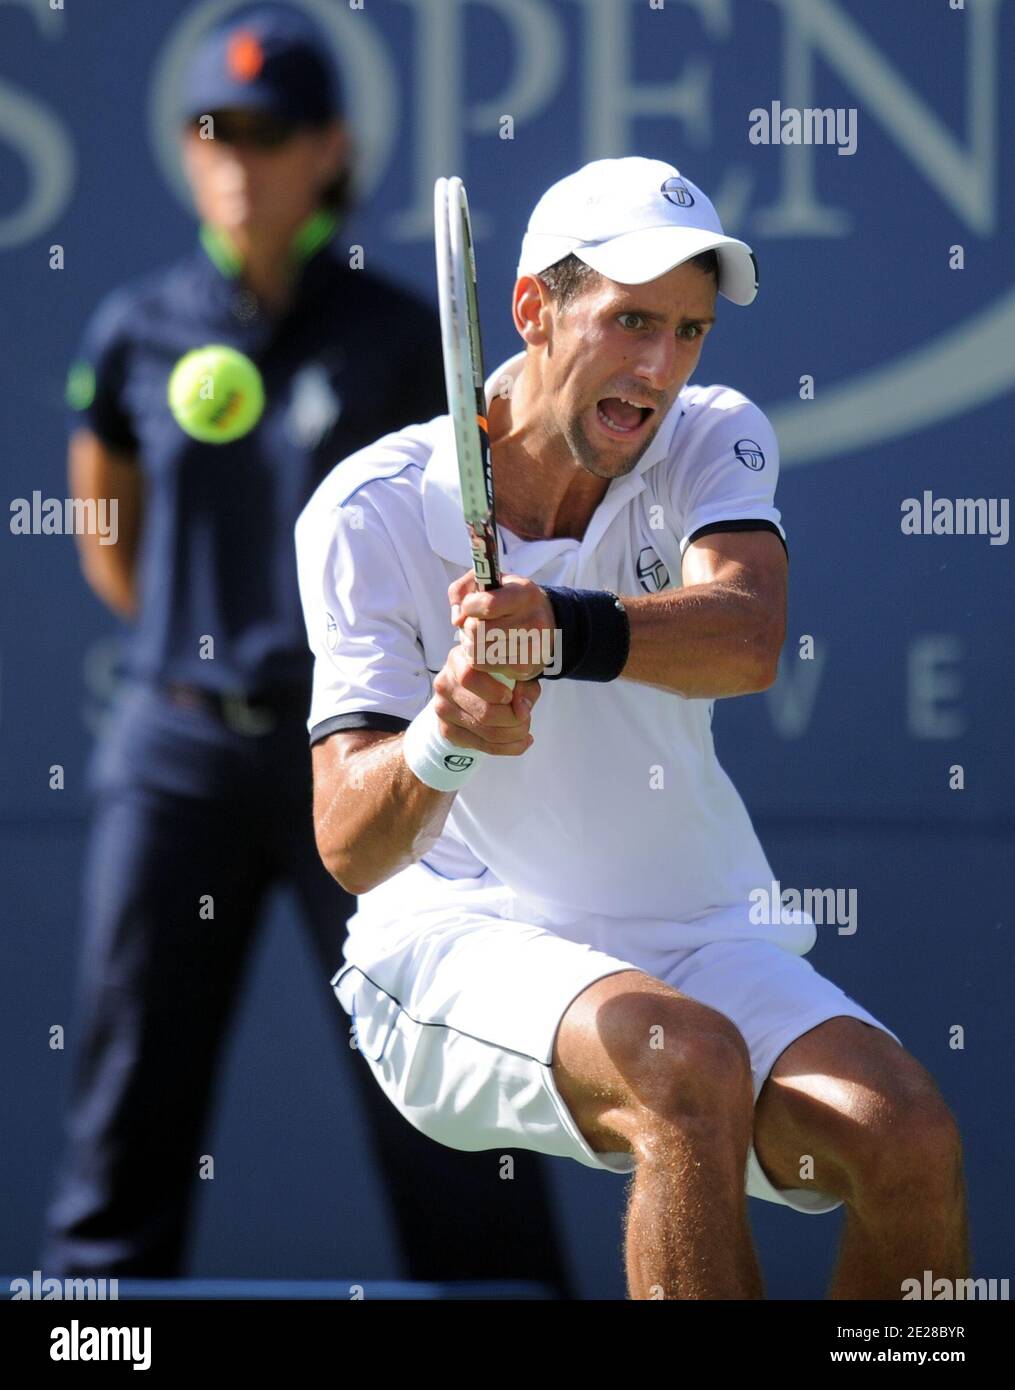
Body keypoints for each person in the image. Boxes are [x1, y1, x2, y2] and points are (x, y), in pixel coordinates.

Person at [295, 156, 971, 1300]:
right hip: (457, 943)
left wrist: (552, 629)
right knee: (686, 1066)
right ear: (532, 310)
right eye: (632, 322)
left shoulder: (711, 433)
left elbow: (747, 637)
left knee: (906, 1137)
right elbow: (351, 843)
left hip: (696, 931)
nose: (661, 368)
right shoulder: (365, 509)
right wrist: (443, 738)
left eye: (691, 332)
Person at [42, 4, 569, 1293]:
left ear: (329, 149)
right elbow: (107, 528)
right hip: (177, 759)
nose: (234, 158)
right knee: (129, 1094)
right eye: (210, 131)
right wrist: (194, 639)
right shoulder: (134, 328)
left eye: (266, 132)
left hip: (363, 752)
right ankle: (95, 1322)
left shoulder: (400, 342)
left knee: (446, 1071)